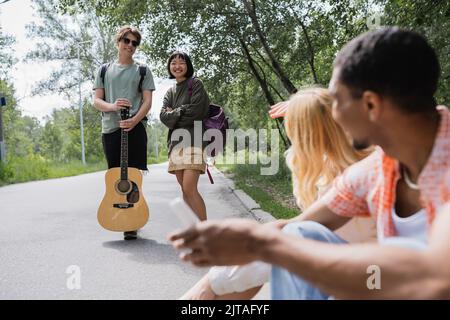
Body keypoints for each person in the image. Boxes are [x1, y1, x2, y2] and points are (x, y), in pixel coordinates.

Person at [169, 27, 450, 299]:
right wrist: (232, 248)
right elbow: (296, 227)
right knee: (302, 232)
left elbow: (435, 278)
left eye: (336, 101)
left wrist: (260, 244)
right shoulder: (380, 169)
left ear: (371, 106)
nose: (333, 115)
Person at [180, 87, 376, 300]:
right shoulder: (349, 164)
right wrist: (308, 105)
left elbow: (300, 230)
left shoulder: (354, 178)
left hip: (366, 275)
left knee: (249, 265)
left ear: (305, 133)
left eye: (293, 128)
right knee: (244, 273)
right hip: (347, 265)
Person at [93, 26, 155, 240]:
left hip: (135, 129)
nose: (130, 45)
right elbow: (96, 101)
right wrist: (112, 107)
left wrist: (134, 120)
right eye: (126, 41)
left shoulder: (143, 71)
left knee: (134, 177)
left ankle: (132, 222)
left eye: (134, 43)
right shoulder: (103, 70)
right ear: (118, 42)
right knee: (115, 175)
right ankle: (118, 214)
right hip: (111, 129)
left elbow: (147, 102)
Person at [160, 52, 210, 221]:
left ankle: (206, 232)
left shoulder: (195, 84)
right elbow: (163, 117)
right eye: (173, 63)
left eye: (181, 62)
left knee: (190, 189)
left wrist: (175, 113)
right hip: (175, 144)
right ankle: (195, 231)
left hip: (194, 141)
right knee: (184, 190)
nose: (177, 66)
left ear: (187, 66)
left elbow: (197, 112)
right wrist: (180, 113)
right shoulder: (170, 92)